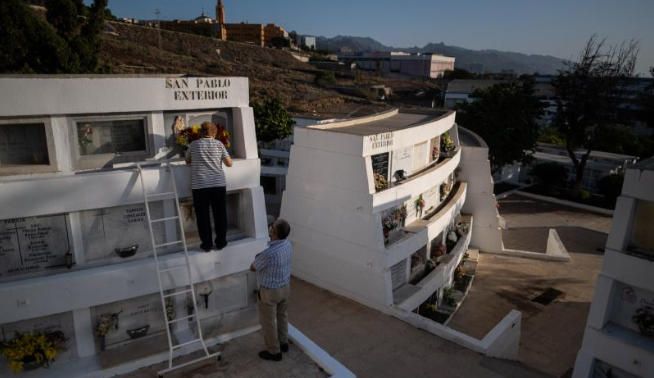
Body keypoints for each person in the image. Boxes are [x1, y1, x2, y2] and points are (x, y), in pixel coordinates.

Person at [186, 121, 233, 252]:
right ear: (215, 133)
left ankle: (206, 244)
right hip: (218, 184)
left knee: (202, 216)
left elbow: (187, 160)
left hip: (200, 186)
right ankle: (221, 242)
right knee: (220, 215)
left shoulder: (193, 145)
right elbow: (229, 164)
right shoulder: (219, 144)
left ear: (201, 132)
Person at [250, 219, 292, 361]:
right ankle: (284, 343)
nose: (270, 228)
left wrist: (257, 257)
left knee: (268, 322)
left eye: (272, 227)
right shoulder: (288, 244)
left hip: (270, 292)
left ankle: (274, 352)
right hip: (285, 287)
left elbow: (253, 267)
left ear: (273, 232)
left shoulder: (269, 253)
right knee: (282, 315)